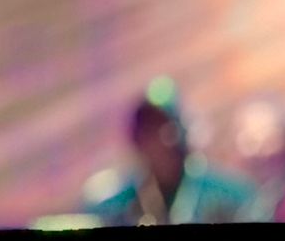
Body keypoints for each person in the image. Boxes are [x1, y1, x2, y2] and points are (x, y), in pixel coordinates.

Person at [83, 95, 256, 226]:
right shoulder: (122, 204)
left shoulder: (228, 194)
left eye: (166, 129)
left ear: (182, 132)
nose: (159, 142)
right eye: (148, 132)